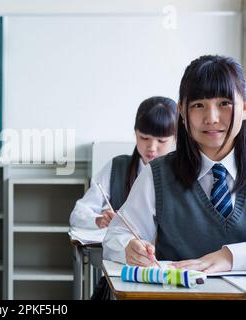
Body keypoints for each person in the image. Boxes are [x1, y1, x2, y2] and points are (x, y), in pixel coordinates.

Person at [103, 55, 246, 274]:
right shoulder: (157, 175)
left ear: (244, 108)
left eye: (224, 103)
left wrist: (230, 257)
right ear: (181, 112)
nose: (212, 118)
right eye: (199, 105)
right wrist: (129, 248)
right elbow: (116, 236)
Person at [70, 96, 177, 230]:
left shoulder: (183, 172)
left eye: (161, 141)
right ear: (135, 133)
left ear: (175, 138)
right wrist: (98, 220)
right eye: (144, 138)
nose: (152, 147)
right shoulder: (117, 167)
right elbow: (78, 214)